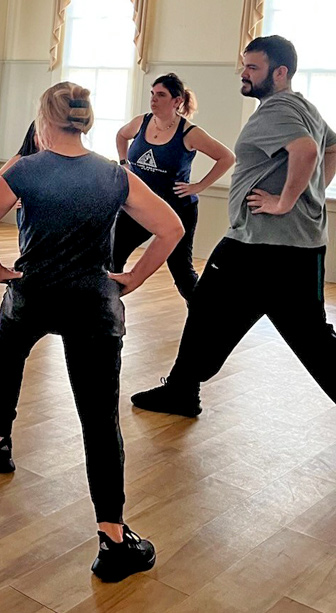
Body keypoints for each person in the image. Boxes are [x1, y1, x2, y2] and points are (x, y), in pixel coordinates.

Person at [0, 82, 184, 582]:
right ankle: (112, 538)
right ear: (86, 121)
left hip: (31, 294)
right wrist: (132, 277)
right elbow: (171, 228)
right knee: (100, 420)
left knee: (5, 357)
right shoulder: (114, 175)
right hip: (93, 305)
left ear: (45, 118)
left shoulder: (24, 170)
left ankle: (0, 440)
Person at [132, 36, 336, 417]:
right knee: (314, 341)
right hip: (299, 248)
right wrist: (312, 192)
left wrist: (285, 201)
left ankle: (182, 390)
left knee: (206, 308)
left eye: (253, 68)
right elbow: (331, 148)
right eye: (244, 65)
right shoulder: (304, 106)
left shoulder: (278, 110)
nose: (243, 73)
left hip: (257, 245)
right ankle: (182, 389)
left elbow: (308, 151)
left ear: (280, 72)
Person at [113, 73, 235, 302]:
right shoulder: (142, 122)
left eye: (161, 95)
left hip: (177, 211)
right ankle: (107, 316)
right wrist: (123, 163)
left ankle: (204, 318)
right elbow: (121, 135)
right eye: (152, 93)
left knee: (182, 273)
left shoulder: (190, 133)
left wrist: (198, 186)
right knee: (112, 258)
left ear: (177, 101)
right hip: (138, 207)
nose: (154, 99)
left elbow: (226, 157)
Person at [0, 121, 39, 227]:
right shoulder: (21, 159)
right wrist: (12, 201)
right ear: (31, 136)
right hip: (25, 209)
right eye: (38, 135)